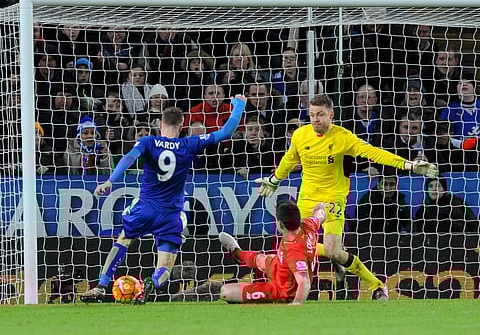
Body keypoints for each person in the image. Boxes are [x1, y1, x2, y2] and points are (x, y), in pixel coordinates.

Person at [255, 94, 438, 300]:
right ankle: (289, 290)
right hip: (307, 199)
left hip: (333, 199)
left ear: (331, 115)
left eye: (321, 115)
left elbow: (374, 153)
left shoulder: (344, 138)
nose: (316, 119)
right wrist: (275, 179)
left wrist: (409, 165)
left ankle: (377, 285)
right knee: (295, 246)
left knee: (333, 251)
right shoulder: (300, 135)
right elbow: (290, 158)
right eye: (312, 115)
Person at [80, 94, 246, 303]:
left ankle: (102, 285)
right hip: (170, 214)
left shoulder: (149, 141)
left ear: (160, 123)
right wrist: (239, 105)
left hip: (145, 207)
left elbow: (129, 157)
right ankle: (150, 285)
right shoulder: (189, 144)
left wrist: (111, 180)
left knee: (123, 240)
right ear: (182, 125)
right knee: (165, 265)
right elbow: (226, 132)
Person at [218, 200, 325, 305]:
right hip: (280, 266)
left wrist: (296, 303)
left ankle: (249, 290)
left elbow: (304, 282)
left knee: (225, 292)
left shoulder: (294, 252)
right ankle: (237, 252)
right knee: (261, 260)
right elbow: (320, 217)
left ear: (280, 224)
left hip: (281, 290)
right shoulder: (307, 225)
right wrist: (321, 208)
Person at [354, 169, 412, 233]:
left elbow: (409, 222)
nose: (388, 188)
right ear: (378, 186)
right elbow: (359, 224)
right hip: (371, 238)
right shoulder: (367, 199)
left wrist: (406, 231)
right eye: (384, 184)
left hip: (394, 238)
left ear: (396, 186)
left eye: (392, 184)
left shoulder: (400, 199)